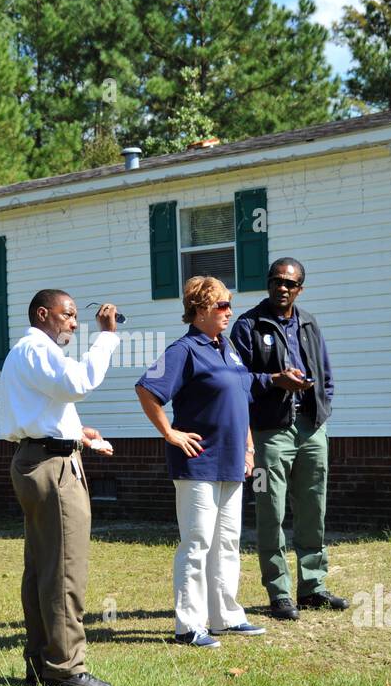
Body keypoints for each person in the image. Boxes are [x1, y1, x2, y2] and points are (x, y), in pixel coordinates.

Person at [135, 276, 265, 648]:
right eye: (222, 305)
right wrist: (170, 434)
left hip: (231, 461)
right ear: (200, 310)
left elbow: (241, 402)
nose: (229, 311)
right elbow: (147, 389)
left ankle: (226, 616)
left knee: (228, 541)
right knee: (196, 543)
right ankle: (189, 625)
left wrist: (249, 448)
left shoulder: (228, 349)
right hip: (198, 463)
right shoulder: (184, 350)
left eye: (229, 304)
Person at [0, 290, 118, 686]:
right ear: (42, 314)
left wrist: (78, 435)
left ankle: (40, 660)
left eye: (75, 317)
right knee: (64, 567)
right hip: (52, 469)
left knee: (41, 568)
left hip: (37, 459)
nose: (73, 323)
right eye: (67, 315)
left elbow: (46, 407)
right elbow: (78, 383)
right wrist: (106, 336)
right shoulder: (38, 348)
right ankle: (66, 667)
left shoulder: (26, 352)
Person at [231, 257, 349, 621]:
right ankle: (279, 593)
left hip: (311, 429)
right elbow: (237, 381)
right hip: (270, 433)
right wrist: (275, 381)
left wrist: (321, 406)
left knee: (314, 509)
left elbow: (325, 372)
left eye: (290, 283)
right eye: (276, 281)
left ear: (300, 288)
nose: (282, 288)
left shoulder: (309, 322)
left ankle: (313, 587)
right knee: (271, 512)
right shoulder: (248, 325)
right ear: (268, 284)